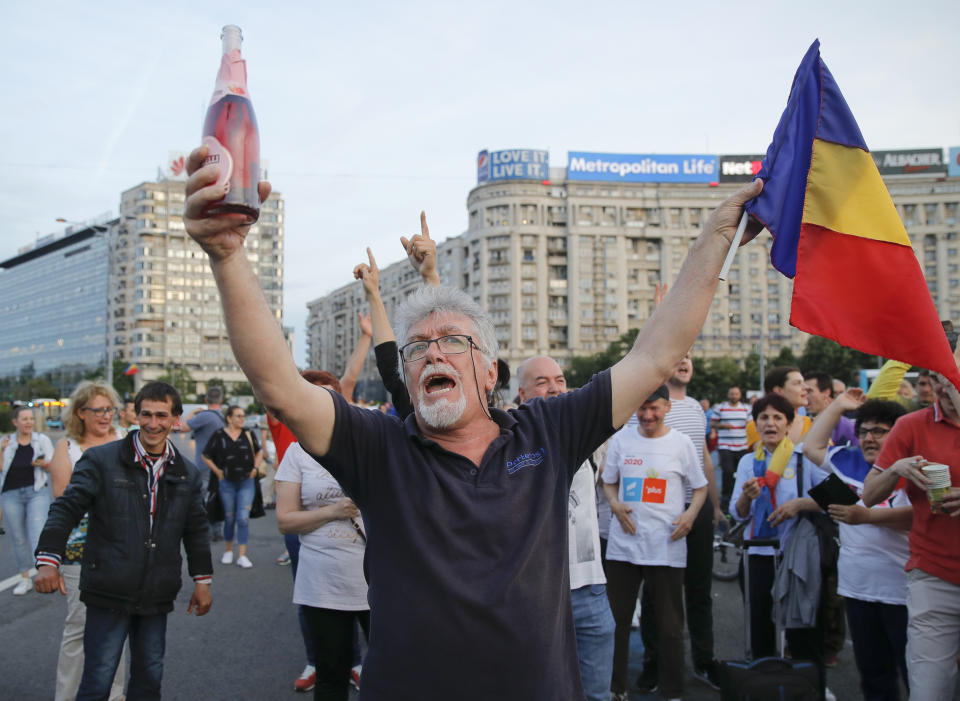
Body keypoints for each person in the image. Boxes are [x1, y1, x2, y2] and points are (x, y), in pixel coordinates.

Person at [183, 144, 764, 699]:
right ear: (406, 377)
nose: (432, 354)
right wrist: (228, 257)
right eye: (416, 349)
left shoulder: (549, 432)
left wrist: (715, 239)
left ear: (489, 372)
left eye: (452, 342)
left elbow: (656, 355)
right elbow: (281, 388)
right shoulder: (379, 449)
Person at [35, 382, 212, 700]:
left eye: (161, 415)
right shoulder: (101, 460)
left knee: (149, 679)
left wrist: (202, 581)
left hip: (157, 592)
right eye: (146, 414)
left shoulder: (186, 472)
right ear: (136, 415)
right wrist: (49, 559)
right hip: (108, 588)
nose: (153, 424)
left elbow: (196, 529)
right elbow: (66, 507)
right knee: (98, 680)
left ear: (176, 418)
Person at [863, 329, 960, 701]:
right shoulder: (911, 425)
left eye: (950, 380)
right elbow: (869, 496)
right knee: (929, 689)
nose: (942, 390)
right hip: (933, 575)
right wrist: (895, 469)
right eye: (935, 378)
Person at [516, 355, 615, 701]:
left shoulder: (590, 439)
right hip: (534, 595)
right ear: (522, 394)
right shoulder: (509, 446)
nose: (554, 388)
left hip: (589, 590)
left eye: (559, 379)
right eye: (542, 382)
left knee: (596, 694)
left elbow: (633, 381)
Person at [804, 389, 911, 701]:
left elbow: (922, 518)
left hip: (903, 591)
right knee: (874, 676)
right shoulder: (847, 461)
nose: (869, 438)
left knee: (916, 675)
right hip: (858, 588)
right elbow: (812, 446)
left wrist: (867, 517)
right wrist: (838, 405)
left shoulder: (911, 467)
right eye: (863, 430)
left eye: (879, 431)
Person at [604, 385, 708, 701]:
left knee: (670, 626)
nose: (647, 415)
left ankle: (672, 691)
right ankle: (614, 687)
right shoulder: (622, 439)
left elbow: (700, 488)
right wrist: (615, 504)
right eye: (642, 408)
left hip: (666, 545)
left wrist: (690, 515)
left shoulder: (682, 444)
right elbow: (609, 482)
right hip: (624, 545)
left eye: (655, 409)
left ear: (667, 408)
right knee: (616, 623)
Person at [276, 371, 369, 701]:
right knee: (331, 676)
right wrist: (333, 511)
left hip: (377, 580)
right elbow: (285, 521)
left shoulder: (368, 443)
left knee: (395, 670)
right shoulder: (296, 454)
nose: (324, 405)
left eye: (331, 397)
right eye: (314, 397)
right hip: (323, 583)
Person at [638, 353, 723, 693]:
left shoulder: (696, 410)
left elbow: (705, 461)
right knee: (656, 594)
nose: (685, 361)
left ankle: (704, 661)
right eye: (679, 356)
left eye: (690, 357)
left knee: (700, 591)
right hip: (660, 512)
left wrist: (715, 508)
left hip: (697, 508)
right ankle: (652, 664)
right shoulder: (644, 407)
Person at [45, 381, 127, 701]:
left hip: (124, 548)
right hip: (81, 551)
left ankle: (115, 694)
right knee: (78, 628)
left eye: (109, 409)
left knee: (118, 626)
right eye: (98, 410)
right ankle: (66, 695)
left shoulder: (125, 440)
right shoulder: (66, 448)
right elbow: (62, 501)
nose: (106, 416)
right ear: (80, 412)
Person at [730, 393, 823, 660]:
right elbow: (738, 515)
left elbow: (834, 501)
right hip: (757, 555)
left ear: (789, 424)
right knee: (760, 626)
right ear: (755, 423)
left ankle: (807, 683)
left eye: (777, 418)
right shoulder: (748, 462)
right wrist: (747, 496)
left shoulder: (803, 458)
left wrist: (800, 504)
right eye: (763, 417)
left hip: (794, 554)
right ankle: (766, 682)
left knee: (800, 626)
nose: (770, 424)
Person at [1, 406, 54, 595]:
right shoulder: (5, 442)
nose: (29, 422)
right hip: (10, 494)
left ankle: (44, 573)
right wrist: (1, 450)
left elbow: (53, 466)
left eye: (31, 418)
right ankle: (25, 578)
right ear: (15, 422)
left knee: (37, 534)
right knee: (18, 538)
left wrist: (45, 464)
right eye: (24, 419)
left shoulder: (42, 440)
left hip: (36, 492)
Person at [201, 405, 262, 568]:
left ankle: (242, 554)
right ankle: (228, 550)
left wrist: (255, 468)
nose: (242, 419)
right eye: (238, 416)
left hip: (246, 482)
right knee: (229, 517)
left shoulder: (248, 433)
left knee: (242, 518)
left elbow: (259, 452)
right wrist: (218, 472)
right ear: (229, 418)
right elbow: (205, 455)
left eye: (243, 416)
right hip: (226, 483)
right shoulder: (219, 435)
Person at [185, 386, 226, 540]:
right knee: (218, 496)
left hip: (205, 464)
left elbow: (182, 427)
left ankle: (206, 530)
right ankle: (218, 530)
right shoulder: (223, 416)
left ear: (206, 400)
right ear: (221, 400)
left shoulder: (204, 416)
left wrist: (192, 413)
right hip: (221, 464)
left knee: (205, 496)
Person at [744, 366, 811, 449]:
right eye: (797, 383)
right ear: (778, 390)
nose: (806, 387)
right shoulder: (758, 426)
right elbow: (769, 458)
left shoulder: (811, 424)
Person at [714, 385, 751, 513]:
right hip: (726, 445)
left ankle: (739, 496)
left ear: (740, 395)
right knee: (728, 472)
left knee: (740, 473)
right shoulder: (720, 408)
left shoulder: (747, 408)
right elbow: (712, 424)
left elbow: (751, 424)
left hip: (742, 445)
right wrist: (722, 425)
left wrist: (749, 424)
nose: (734, 396)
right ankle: (725, 498)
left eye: (736, 394)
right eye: (732, 394)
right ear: (728, 395)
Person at [804, 370, 857, 447]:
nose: (805, 396)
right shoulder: (799, 423)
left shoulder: (848, 428)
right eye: (804, 391)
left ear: (826, 393)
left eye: (809, 391)